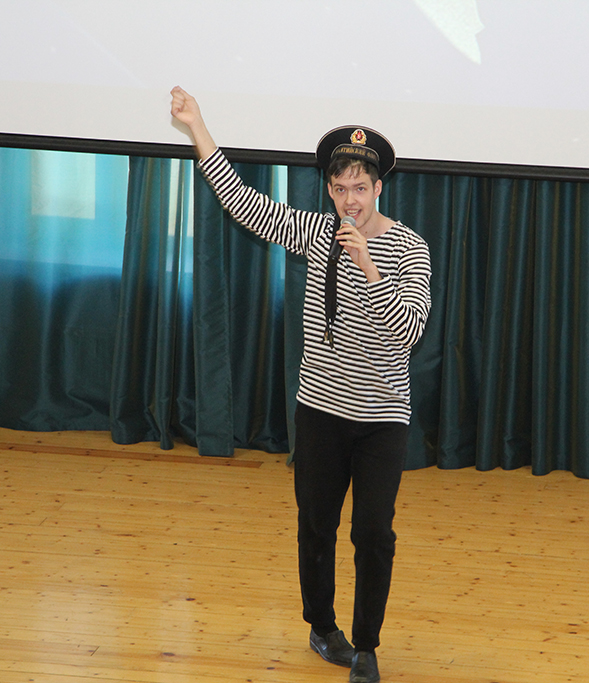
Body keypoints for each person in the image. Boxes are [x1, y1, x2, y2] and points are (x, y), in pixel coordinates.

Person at [169, 86, 432, 683]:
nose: (348, 201)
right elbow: (243, 202)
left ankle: (367, 647)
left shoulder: (409, 246)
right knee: (316, 526)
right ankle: (322, 626)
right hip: (320, 410)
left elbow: (407, 333)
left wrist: (368, 264)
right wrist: (198, 126)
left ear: (379, 188)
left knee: (373, 532)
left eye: (359, 189)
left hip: (382, 418)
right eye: (339, 189)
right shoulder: (315, 233)